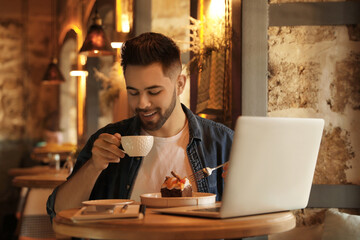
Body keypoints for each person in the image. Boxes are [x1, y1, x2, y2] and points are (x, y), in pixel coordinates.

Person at [46, 32, 234, 219]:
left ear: (180, 84)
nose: (142, 103)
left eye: (153, 92)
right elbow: (59, 212)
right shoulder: (108, 141)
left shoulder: (223, 142)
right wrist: (93, 166)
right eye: (133, 92)